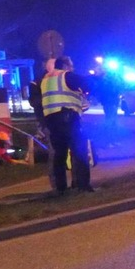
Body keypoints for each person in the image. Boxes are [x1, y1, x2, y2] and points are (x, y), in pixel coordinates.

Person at [40, 56, 94, 194]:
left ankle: (60, 188)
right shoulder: (66, 76)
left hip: (52, 120)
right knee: (79, 151)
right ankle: (84, 186)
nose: (72, 68)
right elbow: (87, 84)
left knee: (60, 154)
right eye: (70, 65)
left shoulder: (45, 79)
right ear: (64, 66)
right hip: (68, 118)